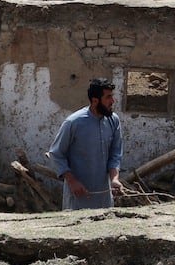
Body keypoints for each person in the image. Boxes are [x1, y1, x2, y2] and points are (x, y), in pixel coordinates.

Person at [48, 78, 123, 210]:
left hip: (104, 197)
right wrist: (72, 182)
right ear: (95, 100)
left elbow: (115, 154)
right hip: (78, 197)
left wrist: (115, 179)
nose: (113, 101)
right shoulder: (73, 123)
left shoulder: (113, 121)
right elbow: (56, 154)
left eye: (112, 96)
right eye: (108, 97)